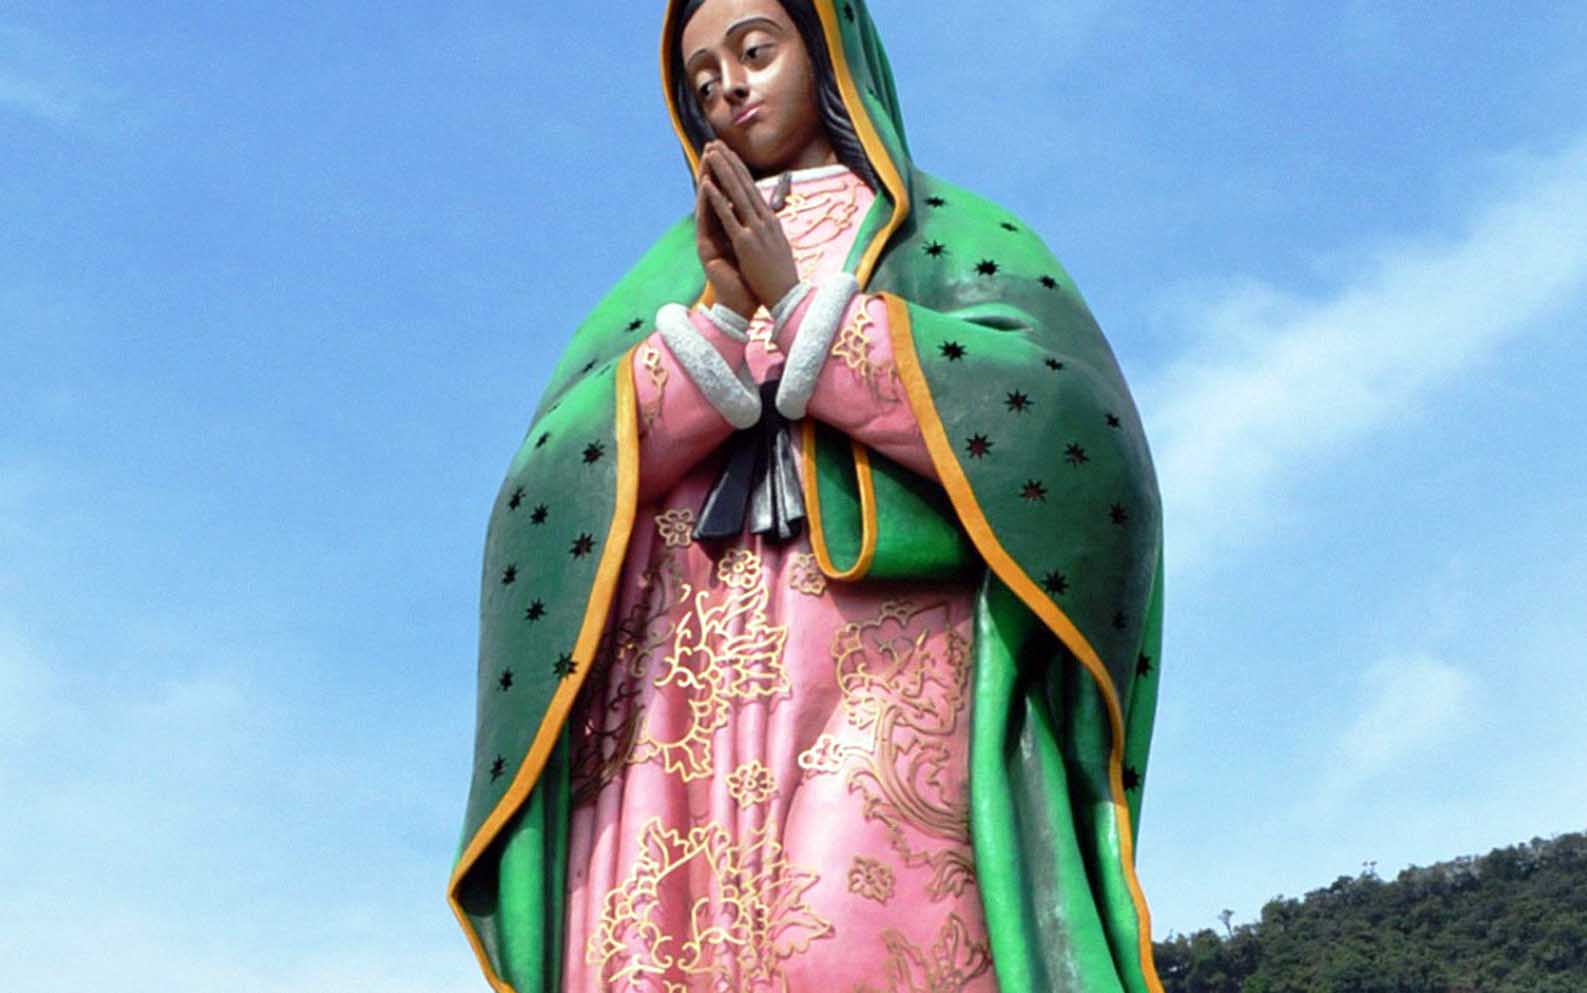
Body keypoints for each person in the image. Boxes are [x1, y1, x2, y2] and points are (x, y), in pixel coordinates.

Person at [447, 2, 1166, 991]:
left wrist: (809, 318)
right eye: (702, 80)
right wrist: (711, 335)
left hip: (884, 669)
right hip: (680, 686)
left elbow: (1073, 433)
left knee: (847, 930)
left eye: (755, 51)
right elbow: (546, 491)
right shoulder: (659, 281)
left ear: (827, 49)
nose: (729, 90)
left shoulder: (950, 240)